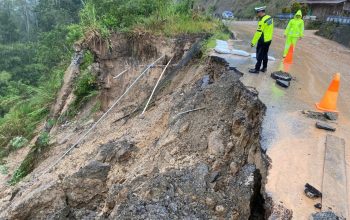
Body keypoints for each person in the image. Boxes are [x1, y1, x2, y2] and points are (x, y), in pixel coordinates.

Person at [249, 6, 274, 74]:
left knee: (259, 55)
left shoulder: (262, 21)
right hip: (268, 40)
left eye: (257, 12)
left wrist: (253, 42)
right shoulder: (270, 18)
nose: (257, 13)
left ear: (261, 12)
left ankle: (257, 69)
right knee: (265, 54)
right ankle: (264, 68)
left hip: (263, 40)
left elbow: (258, 33)